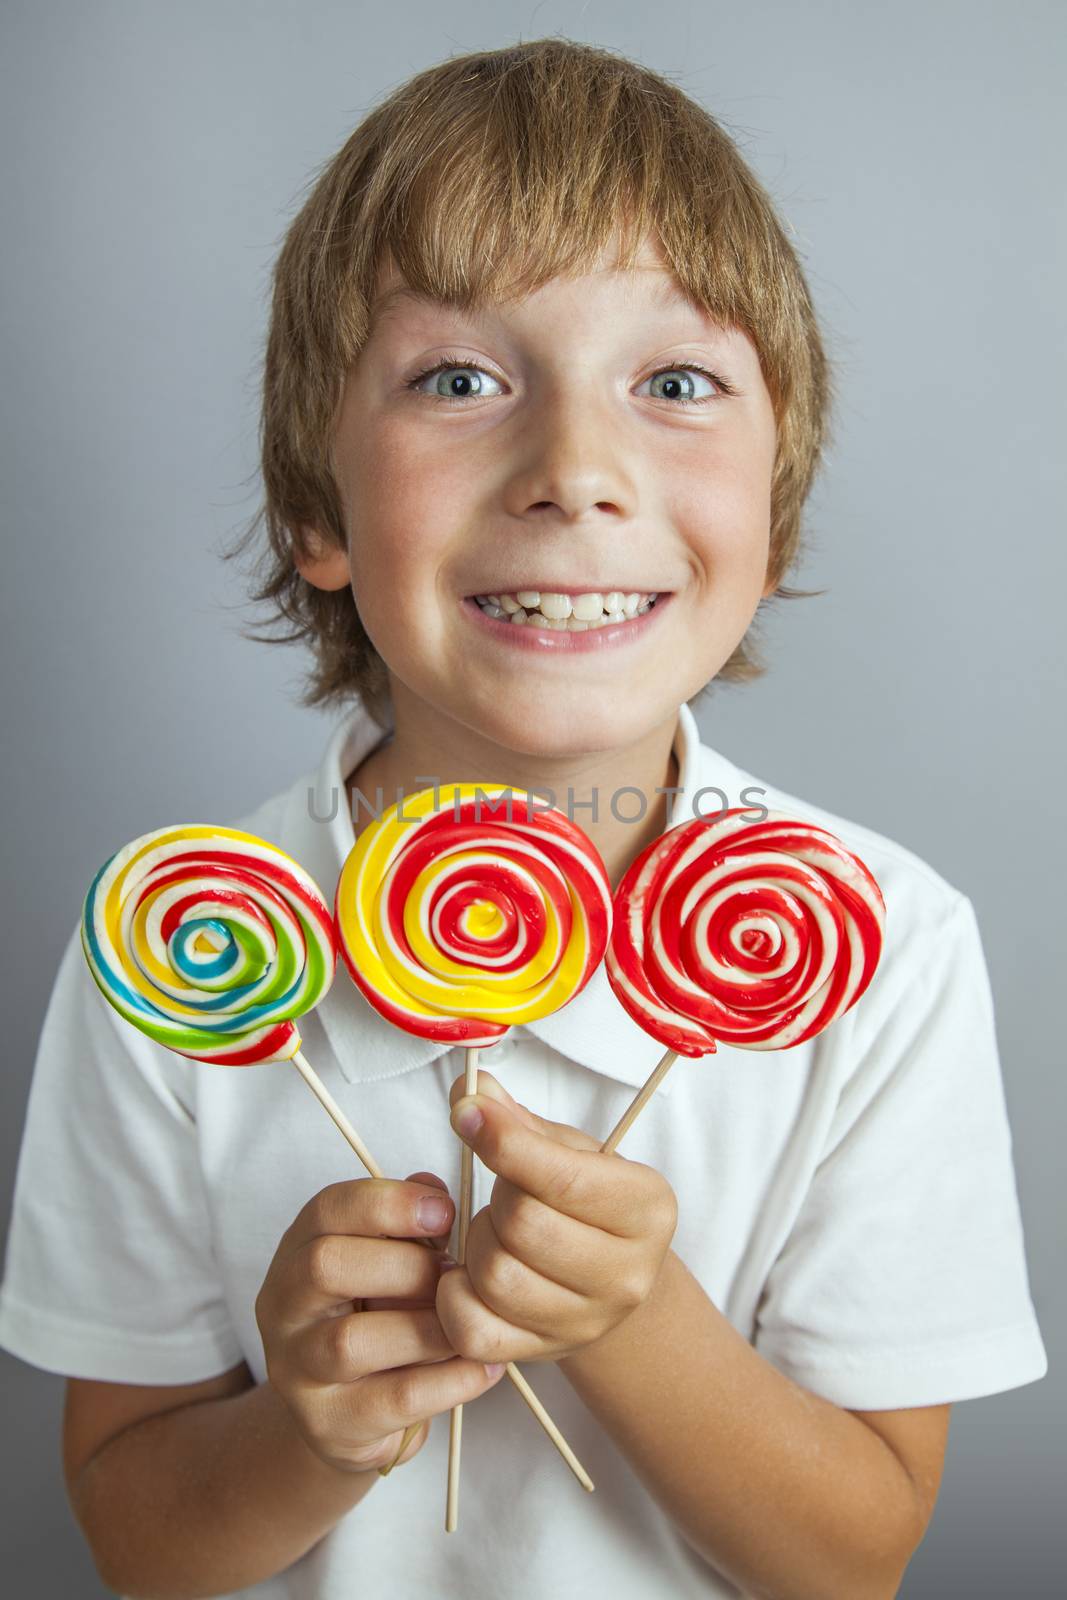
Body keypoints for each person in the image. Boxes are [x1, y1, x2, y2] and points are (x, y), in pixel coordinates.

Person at [0, 37, 1047, 1600]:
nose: (575, 470)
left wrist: (637, 1321)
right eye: (459, 379)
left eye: (676, 383)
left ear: (776, 503)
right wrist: (307, 1429)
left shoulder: (881, 949)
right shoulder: (189, 943)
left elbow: (856, 1560)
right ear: (317, 510)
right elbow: (138, 1544)